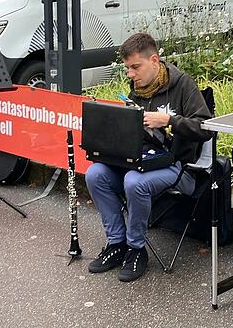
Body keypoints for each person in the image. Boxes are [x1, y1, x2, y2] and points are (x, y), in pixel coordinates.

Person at [85, 33, 214, 282]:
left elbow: (207, 128)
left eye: (135, 67)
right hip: (141, 159)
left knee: (134, 181)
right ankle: (116, 244)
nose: (131, 75)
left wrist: (169, 121)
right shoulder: (137, 90)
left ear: (154, 60)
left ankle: (136, 249)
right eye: (127, 69)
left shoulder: (183, 85)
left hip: (180, 166)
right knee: (95, 174)